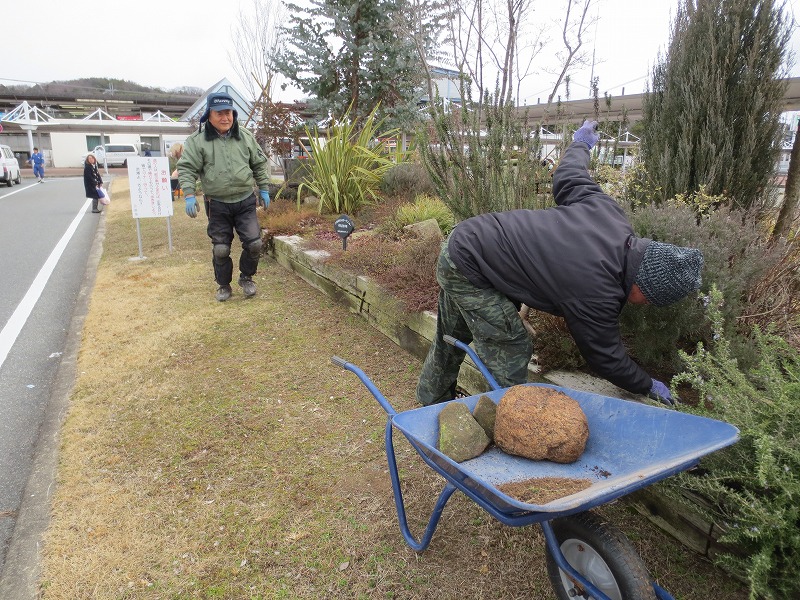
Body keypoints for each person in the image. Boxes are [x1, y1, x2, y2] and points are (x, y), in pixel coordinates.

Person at [416, 120, 704, 408]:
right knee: (511, 347)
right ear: (645, 285)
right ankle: (506, 424)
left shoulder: (611, 217)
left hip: (464, 239)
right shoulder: (597, 289)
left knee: (451, 337)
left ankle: (429, 407)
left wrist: (581, 144)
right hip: (468, 266)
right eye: (650, 301)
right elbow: (606, 358)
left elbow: (570, 175)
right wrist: (647, 384)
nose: (644, 305)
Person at [177, 93, 271, 302]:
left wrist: (263, 188)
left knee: (254, 243)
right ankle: (223, 285)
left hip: (245, 200)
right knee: (221, 248)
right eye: (219, 113)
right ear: (209, 115)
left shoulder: (245, 136)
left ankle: (246, 278)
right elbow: (186, 168)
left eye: (228, 113)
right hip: (217, 203)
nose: (225, 118)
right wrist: (189, 194)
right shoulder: (197, 140)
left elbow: (258, 163)